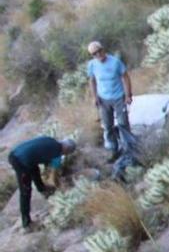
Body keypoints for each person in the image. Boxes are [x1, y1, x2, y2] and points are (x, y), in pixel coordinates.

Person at [85, 41, 138, 180]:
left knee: (123, 124)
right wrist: (94, 97)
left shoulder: (115, 62)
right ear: (92, 56)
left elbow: (125, 77)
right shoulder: (92, 65)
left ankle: (130, 150)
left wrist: (128, 95)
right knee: (107, 126)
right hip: (103, 99)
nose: (98, 55)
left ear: (103, 49)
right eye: (94, 54)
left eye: (99, 51)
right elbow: (92, 80)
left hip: (118, 97)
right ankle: (112, 149)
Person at [8, 136, 76, 230]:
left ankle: (42, 189)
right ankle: (26, 223)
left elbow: (44, 158)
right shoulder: (57, 153)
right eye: (66, 153)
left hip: (17, 153)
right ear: (67, 150)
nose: (64, 154)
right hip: (19, 161)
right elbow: (53, 175)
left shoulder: (51, 140)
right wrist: (57, 184)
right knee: (25, 191)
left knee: (35, 169)